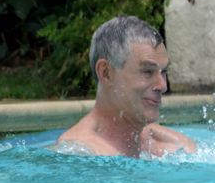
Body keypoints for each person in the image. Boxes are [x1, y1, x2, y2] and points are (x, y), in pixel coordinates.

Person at [55, 16, 197, 158]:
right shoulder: (78, 153)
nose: (163, 86)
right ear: (106, 73)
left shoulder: (174, 145)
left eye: (163, 72)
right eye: (148, 71)